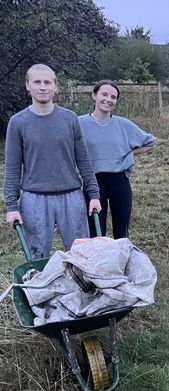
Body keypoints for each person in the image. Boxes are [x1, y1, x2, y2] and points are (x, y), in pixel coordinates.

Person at [3, 64, 101, 258]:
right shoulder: (18, 122)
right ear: (27, 86)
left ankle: (80, 289)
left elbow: (83, 160)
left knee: (81, 255)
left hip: (71, 197)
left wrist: (94, 194)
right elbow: (13, 168)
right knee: (36, 256)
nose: (42, 87)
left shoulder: (70, 119)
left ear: (55, 87)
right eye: (37, 82)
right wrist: (12, 207)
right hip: (34, 199)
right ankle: (38, 288)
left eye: (47, 82)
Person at [79, 80, 157, 239]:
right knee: (95, 232)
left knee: (121, 232)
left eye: (113, 97)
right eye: (104, 94)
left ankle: (120, 262)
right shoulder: (79, 123)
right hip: (93, 183)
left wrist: (128, 154)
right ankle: (98, 263)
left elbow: (150, 142)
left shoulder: (123, 124)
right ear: (94, 95)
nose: (108, 99)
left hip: (119, 181)